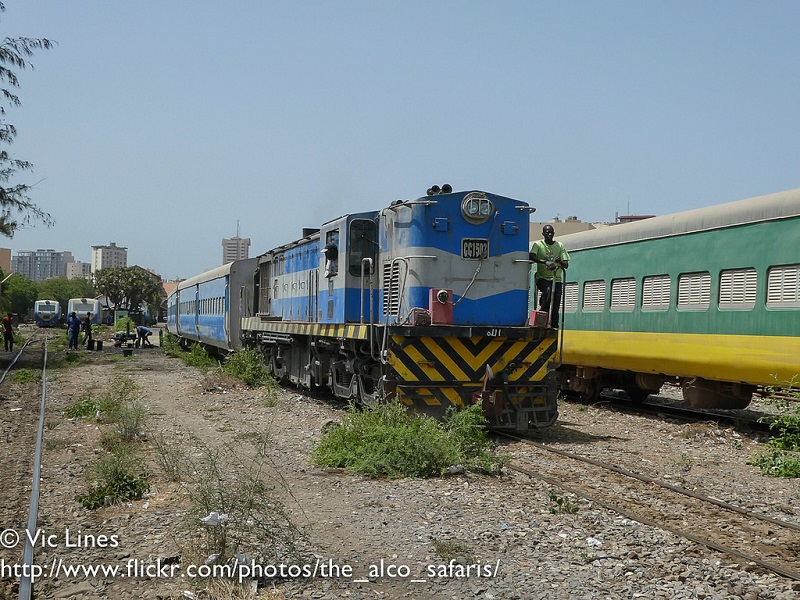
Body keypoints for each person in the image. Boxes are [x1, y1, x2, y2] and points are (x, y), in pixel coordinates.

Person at [529, 224, 570, 328]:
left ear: (554, 233)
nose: (549, 234)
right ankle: (541, 316)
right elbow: (531, 256)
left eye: (551, 232)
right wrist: (544, 262)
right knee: (548, 291)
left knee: (556, 301)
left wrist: (559, 261)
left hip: (557, 279)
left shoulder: (560, 246)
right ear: (543, 234)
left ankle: (554, 325)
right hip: (542, 278)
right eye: (547, 233)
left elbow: (566, 265)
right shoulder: (538, 245)